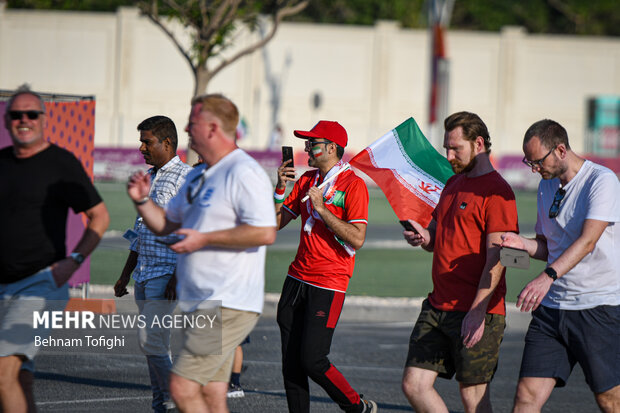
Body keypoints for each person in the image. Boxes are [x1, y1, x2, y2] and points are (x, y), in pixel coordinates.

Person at [126, 93, 276, 413]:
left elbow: (264, 231)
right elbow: (167, 224)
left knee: (181, 388)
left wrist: (203, 239)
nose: (186, 129)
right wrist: (142, 201)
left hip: (228, 303)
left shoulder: (244, 172)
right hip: (202, 303)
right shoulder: (198, 174)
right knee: (211, 397)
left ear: (211, 127)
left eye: (192, 123)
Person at [0, 85, 110, 413]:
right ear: (6, 122)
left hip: (40, 283)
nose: (24, 120)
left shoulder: (61, 163)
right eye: (16, 115)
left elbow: (99, 217)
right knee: (19, 379)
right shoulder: (2, 163)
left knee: (4, 371)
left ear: (43, 119)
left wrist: (73, 262)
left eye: (31, 114)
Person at [400, 111, 519, 413]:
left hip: (479, 310)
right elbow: (437, 237)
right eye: (446, 148)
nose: (449, 155)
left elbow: (500, 257)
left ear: (478, 143)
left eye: (456, 148)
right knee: (414, 385)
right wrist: (424, 238)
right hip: (438, 306)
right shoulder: (453, 184)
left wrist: (478, 311)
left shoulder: (498, 191)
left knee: (474, 399)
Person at [500, 119, 620, 413]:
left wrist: (547, 277)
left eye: (537, 161)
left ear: (561, 150)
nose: (533, 169)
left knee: (609, 400)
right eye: (529, 162)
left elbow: (587, 241)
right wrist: (521, 243)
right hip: (553, 310)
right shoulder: (546, 187)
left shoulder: (601, 181)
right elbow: (548, 247)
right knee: (526, 397)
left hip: (597, 307)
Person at [275, 120, 377, 413]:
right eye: (307, 143)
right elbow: (275, 224)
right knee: (291, 362)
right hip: (296, 278)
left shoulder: (353, 185)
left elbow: (357, 238)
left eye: (313, 143)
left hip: (329, 284)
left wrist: (322, 210)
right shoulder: (307, 180)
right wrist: (281, 188)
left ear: (331, 148)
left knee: (312, 359)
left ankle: (356, 405)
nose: (307, 148)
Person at [114, 116, 192, 412]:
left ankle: (177, 397)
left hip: (166, 272)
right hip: (144, 274)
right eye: (141, 141)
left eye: (147, 141)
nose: (141, 147)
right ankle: (161, 403)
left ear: (167, 143)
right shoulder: (150, 176)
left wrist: (177, 275)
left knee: (150, 339)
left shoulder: (184, 177)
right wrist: (126, 274)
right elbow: (140, 230)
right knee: (155, 345)